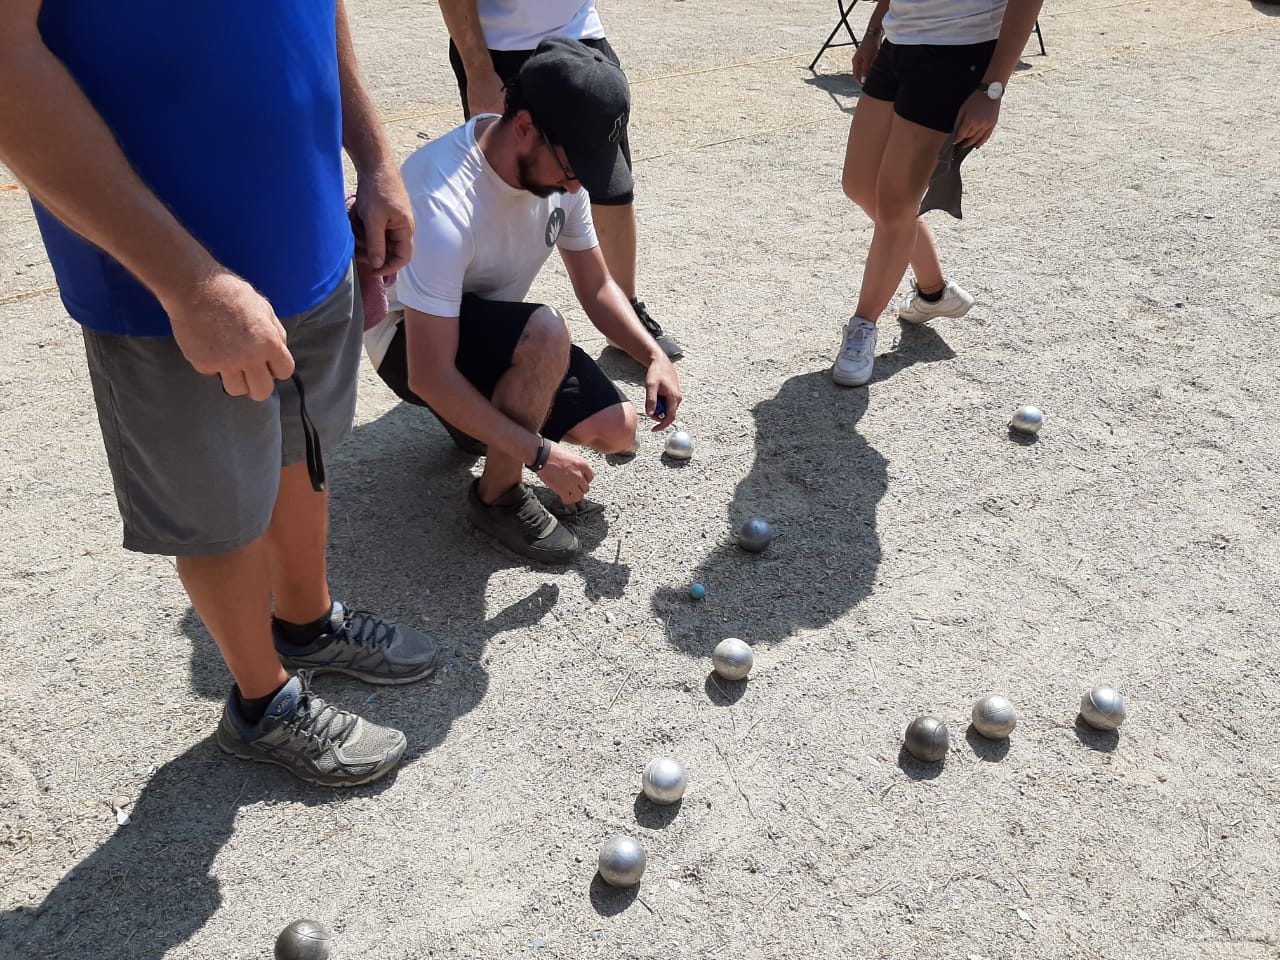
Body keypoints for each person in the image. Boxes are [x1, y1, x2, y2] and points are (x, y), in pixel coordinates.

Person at [0, 1, 441, 787]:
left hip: (304, 232)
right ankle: (261, 703)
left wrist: (373, 157)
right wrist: (188, 286)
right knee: (213, 507)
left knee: (298, 446)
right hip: (161, 285)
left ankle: (307, 622)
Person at [363, 37, 683, 565]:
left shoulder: (563, 177)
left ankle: (483, 426)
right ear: (526, 126)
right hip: (407, 342)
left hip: (480, 330)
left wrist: (653, 354)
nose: (578, 181)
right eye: (572, 163)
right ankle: (497, 498)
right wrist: (537, 454)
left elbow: (598, 286)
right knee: (547, 330)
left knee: (617, 429)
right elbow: (429, 374)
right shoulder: (442, 200)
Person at [439, 0, 686, 360]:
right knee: (506, 194)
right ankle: (482, 327)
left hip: (582, 33)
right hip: (501, 45)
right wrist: (478, 69)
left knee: (610, 185)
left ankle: (625, 314)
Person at [831, 0, 1044, 387]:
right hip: (898, 44)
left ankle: (863, 325)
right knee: (860, 185)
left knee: (896, 205)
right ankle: (934, 293)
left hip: (958, 54)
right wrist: (874, 31)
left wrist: (992, 90)